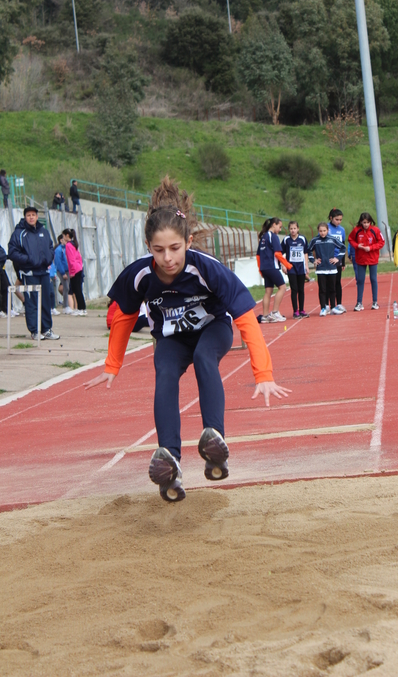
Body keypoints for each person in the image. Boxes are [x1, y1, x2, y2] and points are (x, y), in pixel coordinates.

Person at [85, 176, 291, 503]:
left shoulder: (207, 269)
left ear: (189, 241)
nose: (167, 258)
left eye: (175, 248)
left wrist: (263, 373)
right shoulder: (139, 275)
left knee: (204, 360)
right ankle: (170, 460)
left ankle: (214, 443)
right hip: (171, 339)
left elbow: (246, 319)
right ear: (148, 247)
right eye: (158, 250)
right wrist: (113, 364)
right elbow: (123, 315)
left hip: (213, 329)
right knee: (165, 374)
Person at [8, 207, 60, 340]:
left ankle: (46, 329)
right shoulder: (19, 233)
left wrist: (48, 258)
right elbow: (12, 252)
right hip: (29, 273)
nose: (31, 217)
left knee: (46, 301)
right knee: (32, 302)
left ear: (37, 217)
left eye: (33, 215)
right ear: (25, 217)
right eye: (28, 215)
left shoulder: (44, 232)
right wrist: (28, 260)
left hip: (44, 272)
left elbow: (50, 247)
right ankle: (34, 331)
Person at [257, 217, 292, 323]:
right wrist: (287, 265)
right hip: (272, 267)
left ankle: (265, 316)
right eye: (279, 227)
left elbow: (258, 256)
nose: (280, 229)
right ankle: (275, 312)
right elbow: (277, 253)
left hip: (264, 267)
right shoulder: (273, 236)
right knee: (282, 287)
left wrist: (260, 269)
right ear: (274, 225)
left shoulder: (263, 237)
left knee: (268, 291)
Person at [348, 213, 385, 311]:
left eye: (368, 222)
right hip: (361, 259)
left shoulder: (375, 230)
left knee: (373, 279)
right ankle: (359, 302)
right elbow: (350, 239)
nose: (366, 224)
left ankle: (375, 302)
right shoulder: (356, 230)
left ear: (370, 222)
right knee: (360, 280)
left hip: (372, 258)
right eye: (364, 222)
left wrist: (371, 248)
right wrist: (357, 246)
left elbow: (382, 242)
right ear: (361, 222)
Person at [309, 222, 344, 316]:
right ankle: (323, 308)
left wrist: (337, 258)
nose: (322, 233)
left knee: (332, 288)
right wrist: (313, 260)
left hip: (332, 268)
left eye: (324, 231)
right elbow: (308, 250)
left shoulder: (332, 239)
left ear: (328, 230)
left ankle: (333, 307)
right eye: (320, 231)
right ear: (318, 231)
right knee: (322, 289)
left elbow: (343, 248)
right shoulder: (315, 240)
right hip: (321, 269)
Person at [281, 221, 309, 319]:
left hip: (301, 267)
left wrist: (306, 266)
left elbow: (305, 253)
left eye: (294, 228)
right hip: (291, 267)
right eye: (291, 229)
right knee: (294, 289)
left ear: (298, 229)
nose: (293, 230)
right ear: (289, 229)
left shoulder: (302, 239)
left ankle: (302, 309)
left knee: (301, 289)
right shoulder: (286, 240)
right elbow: (280, 254)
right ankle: (295, 311)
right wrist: (283, 265)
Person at [327, 208, 347, 314]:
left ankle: (339, 303)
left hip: (338, 259)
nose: (338, 222)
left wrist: (342, 262)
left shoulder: (342, 230)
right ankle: (329, 305)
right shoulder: (326, 228)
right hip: (328, 259)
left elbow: (343, 246)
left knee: (338, 282)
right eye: (336, 219)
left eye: (340, 220)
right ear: (331, 218)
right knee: (330, 283)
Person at [62, 228, 86, 315]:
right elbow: (78, 257)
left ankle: (81, 309)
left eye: (63, 235)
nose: (63, 237)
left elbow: (71, 260)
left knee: (76, 290)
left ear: (67, 235)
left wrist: (72, 272)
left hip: (75, 270)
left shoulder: (68, 245)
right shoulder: (74, 244)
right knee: (78, 289)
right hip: (79, 268)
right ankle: (81, 308)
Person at [54, 234, 74, 314]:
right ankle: (65, 306)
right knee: (65, 288)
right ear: (61, 240)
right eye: (65, 240)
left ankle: (66, 306)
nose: (67, 242)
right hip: (62, 271)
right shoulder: (58, 250)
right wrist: (62, 273)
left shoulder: (66, 248)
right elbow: (58, 262)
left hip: (67, 270)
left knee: (67, 288)